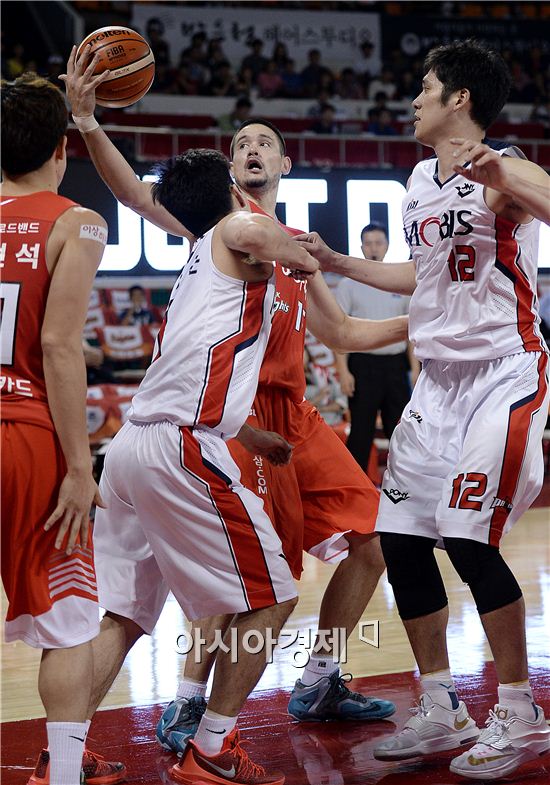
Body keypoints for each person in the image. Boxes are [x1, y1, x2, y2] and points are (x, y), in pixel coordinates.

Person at [62, 47, 408, 758]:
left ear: (284, 167)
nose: (253, 147)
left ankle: (320, 677)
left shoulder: (291, 246)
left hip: (295, 418)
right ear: (230, 169)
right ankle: (192, 705)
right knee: (245, 580)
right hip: (234, 423)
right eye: (241, 142)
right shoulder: (219, 228)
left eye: (265, 142)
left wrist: (425, 320)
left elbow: (342, 330)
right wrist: (90, 124)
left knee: (375, 539)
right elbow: (134, 194)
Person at [295, 39, 550, 781]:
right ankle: (442, 703)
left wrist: (504, 171)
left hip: (503, 374)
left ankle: (520, 708)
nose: (413, 99)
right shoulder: (416, 178)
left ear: (459, 100)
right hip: (435, 383)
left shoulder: (502, 167)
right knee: (401, 539)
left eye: (426, 87)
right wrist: (341, 265)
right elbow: (424, 271)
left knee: (470, 540)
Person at [0, 73, 124, 785]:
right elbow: (58, 346)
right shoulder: (77, 221)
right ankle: (66, 773)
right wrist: (81, 467)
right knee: (72, 619)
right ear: (60, 150)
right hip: (25, 434)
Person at [334, 223, 419, 477]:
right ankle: (355, 492)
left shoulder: (399, 281)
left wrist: (414, 369)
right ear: (361, 247)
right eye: (368, 243)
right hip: (362, 366)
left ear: (387, 245)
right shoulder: (348, 284)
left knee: (401, 432)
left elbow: (412, 332)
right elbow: (338, 331)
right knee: (361, 431)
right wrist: (343, 372)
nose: (373, 248)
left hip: (395, 366)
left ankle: (405, 486)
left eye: (378, 242)